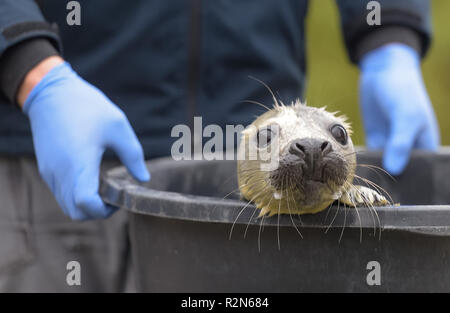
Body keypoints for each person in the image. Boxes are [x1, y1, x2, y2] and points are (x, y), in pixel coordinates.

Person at [0, 0, 439, 291]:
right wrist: (31, 66)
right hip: (61, 153)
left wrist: (389, 36)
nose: (313, 150)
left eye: (336, 138)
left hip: (270, 206)